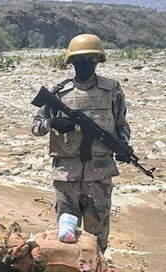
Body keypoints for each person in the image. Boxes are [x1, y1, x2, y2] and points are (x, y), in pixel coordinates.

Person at [32, 34, 130, 253]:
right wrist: (52, 122)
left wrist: (123, 145)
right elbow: (35, 127)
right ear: (72, 63)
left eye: (90, 60)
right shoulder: (59, 93)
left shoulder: (112, 90)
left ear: (97, 62)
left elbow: (121, 124)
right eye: (80, 61)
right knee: (66, 239)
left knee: (97, 242)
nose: (84, 65)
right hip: (66, 178)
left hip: (99, 177)